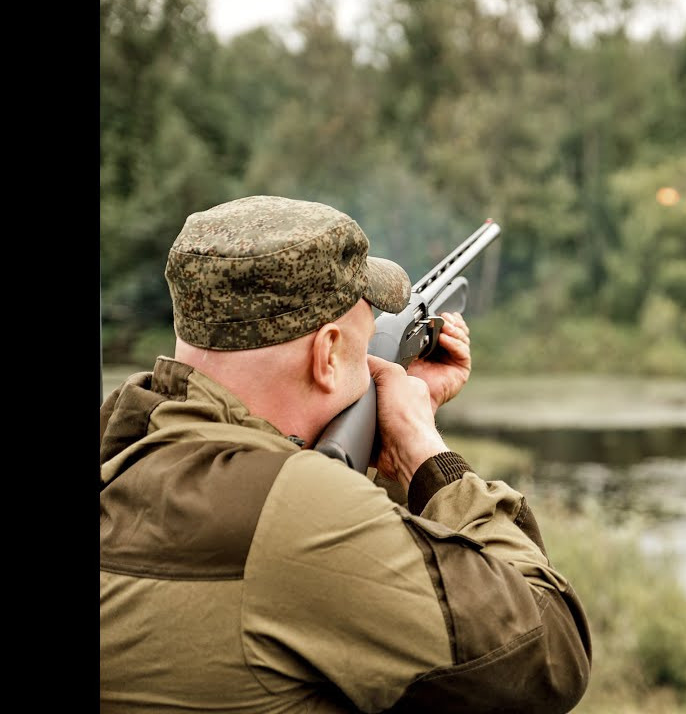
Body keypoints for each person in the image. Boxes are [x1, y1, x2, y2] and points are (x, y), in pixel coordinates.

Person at [100, 195, 592, 713]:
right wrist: (423, 450)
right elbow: (548, 654)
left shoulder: (122, 448)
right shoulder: (300, 509)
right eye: (364, 346)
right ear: (327, 354)